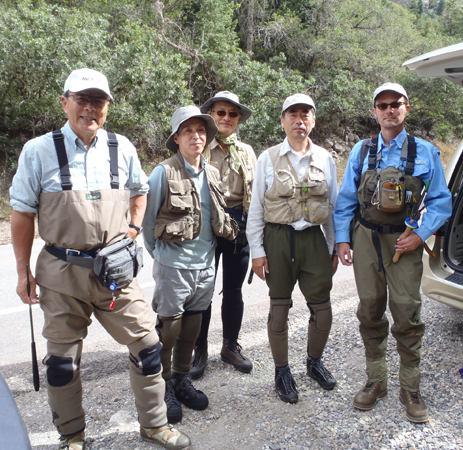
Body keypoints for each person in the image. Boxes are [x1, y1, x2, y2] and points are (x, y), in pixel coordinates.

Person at [10, 68, 190, 450]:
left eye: (98, 101)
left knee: (148, 346)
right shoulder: (39, 150)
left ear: (107, 107)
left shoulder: (121, 147)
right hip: (60, 274)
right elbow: (23, 213)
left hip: (115, 273)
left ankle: (155, 425)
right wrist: (23, 270)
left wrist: (134, 229)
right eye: (82, 99)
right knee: (61, 365)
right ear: (65, 102)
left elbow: (139, 192)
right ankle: (72, 436)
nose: (90, 109)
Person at [334, 82, 452, 423]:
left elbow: (442, 202)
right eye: (382, 105)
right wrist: (343, 240)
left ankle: (410, 387)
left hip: (406, 242)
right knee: (370, 308)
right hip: (367, 239)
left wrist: (420, 235)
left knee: (406, 311)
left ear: (407, 108)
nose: (389, 110)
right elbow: (345, 200)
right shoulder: (361, 150)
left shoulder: (427, 151)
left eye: (396, 104)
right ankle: (376, 381)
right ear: (374, 111)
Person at [142, 105, 238, 424]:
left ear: (207, 137)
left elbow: (215, 219)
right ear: (176, 138)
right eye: (188, 131)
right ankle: (164, 385)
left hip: (205, 268)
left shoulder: (212, 173)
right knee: (168, 331)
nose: (196, 136)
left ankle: (182, 380)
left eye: (201, 131)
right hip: (173, 268)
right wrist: (163, 259)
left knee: (192, 330)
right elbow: (147, 224)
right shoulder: (163, 173)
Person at [246, 93, 338, 403]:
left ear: (313, 120)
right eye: (293, 114)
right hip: (278, 240)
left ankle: (314, 362)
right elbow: (256, 208)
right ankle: (282, 371)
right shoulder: (267, 157)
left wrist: (333, 247)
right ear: (283, 120)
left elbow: (332, 207)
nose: (299, 120)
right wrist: (257, 251)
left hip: (314, 240)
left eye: (306, 114)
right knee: (279, 309)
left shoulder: (325, 158)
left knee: (323, 310)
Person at [187, 91, 257, 379]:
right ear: (212, 116)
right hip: (206, 224)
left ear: (238, 118)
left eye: (232, 113)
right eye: (220, 113)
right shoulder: (199, 148)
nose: (226, 118)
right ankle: (199, 349)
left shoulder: (247, 152)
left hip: (239, 224)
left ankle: (230, 346)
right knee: (202, 289)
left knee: (234, 290)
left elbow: (256, 195)